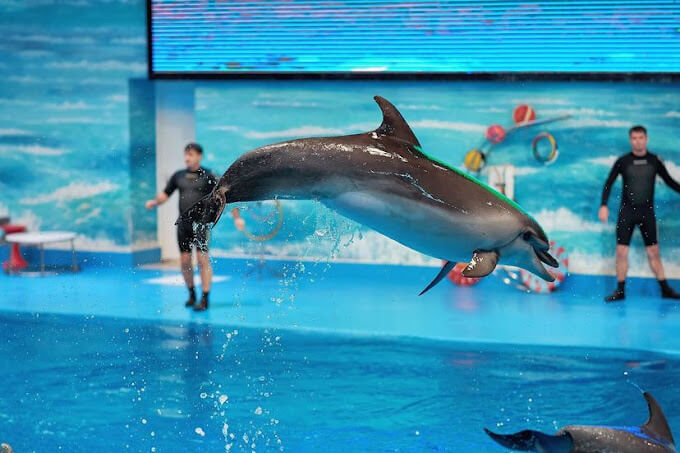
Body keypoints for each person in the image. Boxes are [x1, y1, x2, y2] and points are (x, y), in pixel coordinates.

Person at [599, 125, 680, 301]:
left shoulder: (654, 161)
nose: (637, 141)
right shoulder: (623, 161)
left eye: (640, 137)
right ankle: (620, 291)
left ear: (646, 139)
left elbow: (669, 181)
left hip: (647, 213)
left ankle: (665, 289)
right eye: (634, 138)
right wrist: (603, 205)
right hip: (627, 213)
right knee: (621, 252)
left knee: (654, 252)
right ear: (630, 140)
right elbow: (608, 183)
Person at [145, 143, 217, 311]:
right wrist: (154, 202)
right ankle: (192, 294)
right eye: (185, 154)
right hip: (183, 225)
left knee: (202, 259)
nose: (187, 158)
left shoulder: (208, 175)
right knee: (185, 261)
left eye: (190, 155)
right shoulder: (178, 176)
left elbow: (224, 194)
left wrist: (237, 217)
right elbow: (166, 194)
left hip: (201, 225)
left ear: (199, 156)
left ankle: (205, 297)